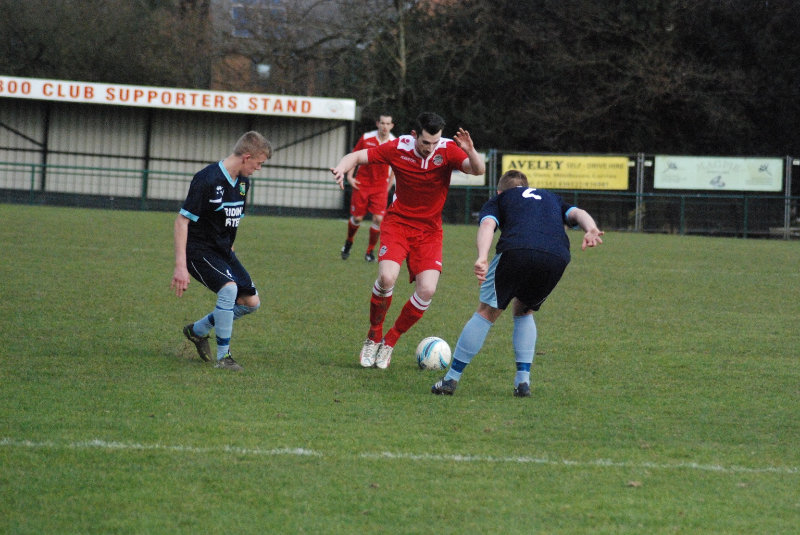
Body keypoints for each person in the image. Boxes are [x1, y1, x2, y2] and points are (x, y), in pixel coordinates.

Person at [331, 111, 485, 369]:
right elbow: (358, 156)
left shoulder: (447, 150)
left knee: (427, 290)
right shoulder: (398, 147)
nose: (430, 148)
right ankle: (374, 335)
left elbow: (477, 170)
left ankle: (390, 341)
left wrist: (470, 151)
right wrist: (342, 167)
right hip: (398, 223)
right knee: (387, 277)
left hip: (429, 231)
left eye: (435, 143)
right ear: (415, 135)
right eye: (425, 143)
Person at [431, 170, 604, 396]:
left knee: (486, 311)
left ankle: (450, 380)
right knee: (524, 309)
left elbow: (487, 225)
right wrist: (590, 228)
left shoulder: (500, 199)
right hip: (556, 256)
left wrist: (482, 256)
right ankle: (523, 382)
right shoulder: (551, 197)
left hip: (516, 250)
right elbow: (578, 213)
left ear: (500, 191)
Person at [170, 131, 272, 371]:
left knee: (251, 303)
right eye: (259, 163)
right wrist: (180, 266)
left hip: (222, 251)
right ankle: (224, 357)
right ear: (247, 157)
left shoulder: (244, 183)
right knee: (229, 290)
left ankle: (197, 330)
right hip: (198, 251)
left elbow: (230, 222)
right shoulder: (207, 179)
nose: (259, 168)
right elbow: (181, 221)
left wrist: (231, 253)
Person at [341, 114, 396, 262]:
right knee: (357, 218)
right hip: (362, 183)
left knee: (378, 219)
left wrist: (388, 186)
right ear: (378, 123)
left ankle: (370, 251)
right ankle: (349, 241)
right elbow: (354, 156)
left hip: (380, 186)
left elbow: (395, 167)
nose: (385, 126)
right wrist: (350, 177)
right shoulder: (366, 138)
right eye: (382, 123)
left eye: (388, 124)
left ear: (391, 126)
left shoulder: (393, 143)